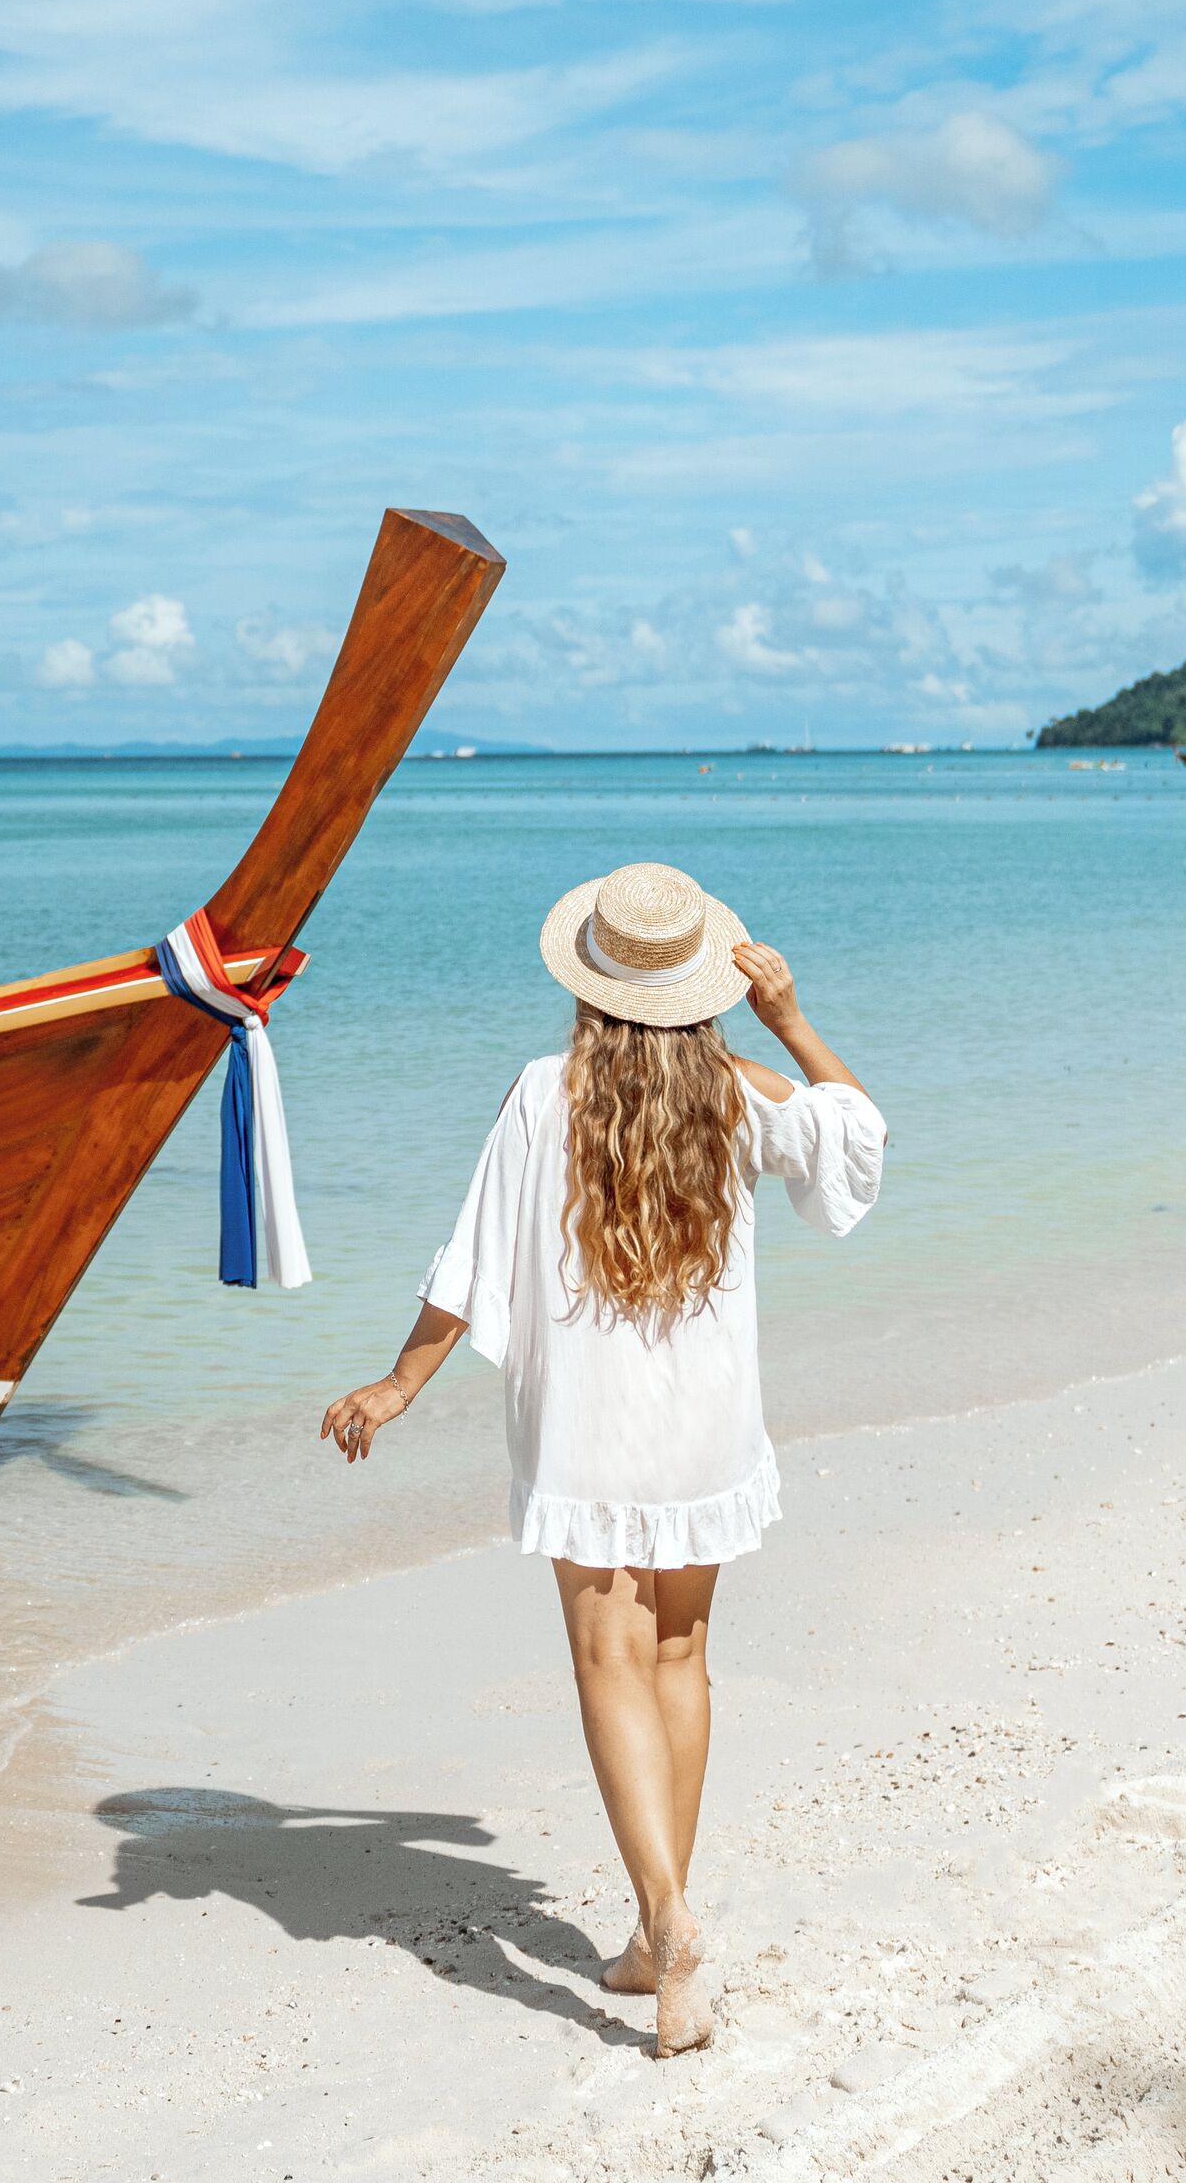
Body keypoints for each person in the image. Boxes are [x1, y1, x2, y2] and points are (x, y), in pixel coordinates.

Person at [319, 859, 885, 2059]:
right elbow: (852, 1141)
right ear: (704, 986)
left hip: (587, 1421)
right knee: (678, 1655)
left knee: (605, 1660)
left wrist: (399, 1382)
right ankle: (652, 1930)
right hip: (704, 1423)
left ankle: (667, 1924)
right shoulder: (737, 1091)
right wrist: (789, 1018)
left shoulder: (543, 1093)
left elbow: (471, 1258)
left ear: (589, 984)